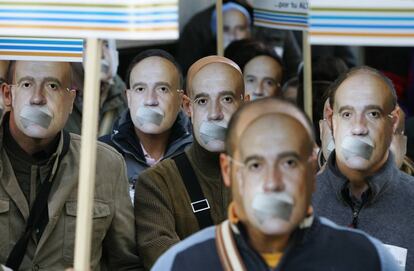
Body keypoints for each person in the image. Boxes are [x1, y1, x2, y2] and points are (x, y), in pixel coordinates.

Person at [152, 97, 399, 271]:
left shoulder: (367, 259)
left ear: (311, 169)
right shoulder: (182, 263)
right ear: (229, 171)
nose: (272, 183)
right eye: (255, 165)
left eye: (289, 163)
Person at [0, 61, 142, 270]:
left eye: (52, 86)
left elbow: (128, 264)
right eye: (27, 84)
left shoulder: (103, 165)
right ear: (7, 95)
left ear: (70, 100)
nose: (38, 98)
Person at [134, 56, 245, 269]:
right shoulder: (158, 183)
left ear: (245, 104)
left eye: (227, 99)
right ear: (187, 107)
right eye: (203, 101)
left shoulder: (268, 177)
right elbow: (164, 261)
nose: (215, 114)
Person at [313, 66, 414, 271]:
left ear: (393, 122)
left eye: (373, 113)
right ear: (331, 120)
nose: (358, 128)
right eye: (347, 114)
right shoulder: (299, 201)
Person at [99, 49, 192, 201]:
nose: (150, 100)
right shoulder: (101, 155)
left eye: (162, 89)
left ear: (180, 100)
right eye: (140, 89)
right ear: (128, 98)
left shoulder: (198, 154)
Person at [176, 0, 301, 77]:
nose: (234, 35)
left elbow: (295, 70)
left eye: (240, 28)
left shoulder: (272, 21)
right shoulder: (198, 26)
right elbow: (186, 75)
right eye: (225, 29)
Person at [65, 39, 127, 137]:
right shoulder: (57, 94)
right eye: (90, 45)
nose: (102, 54)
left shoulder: (123, 94)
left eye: (106, 45)